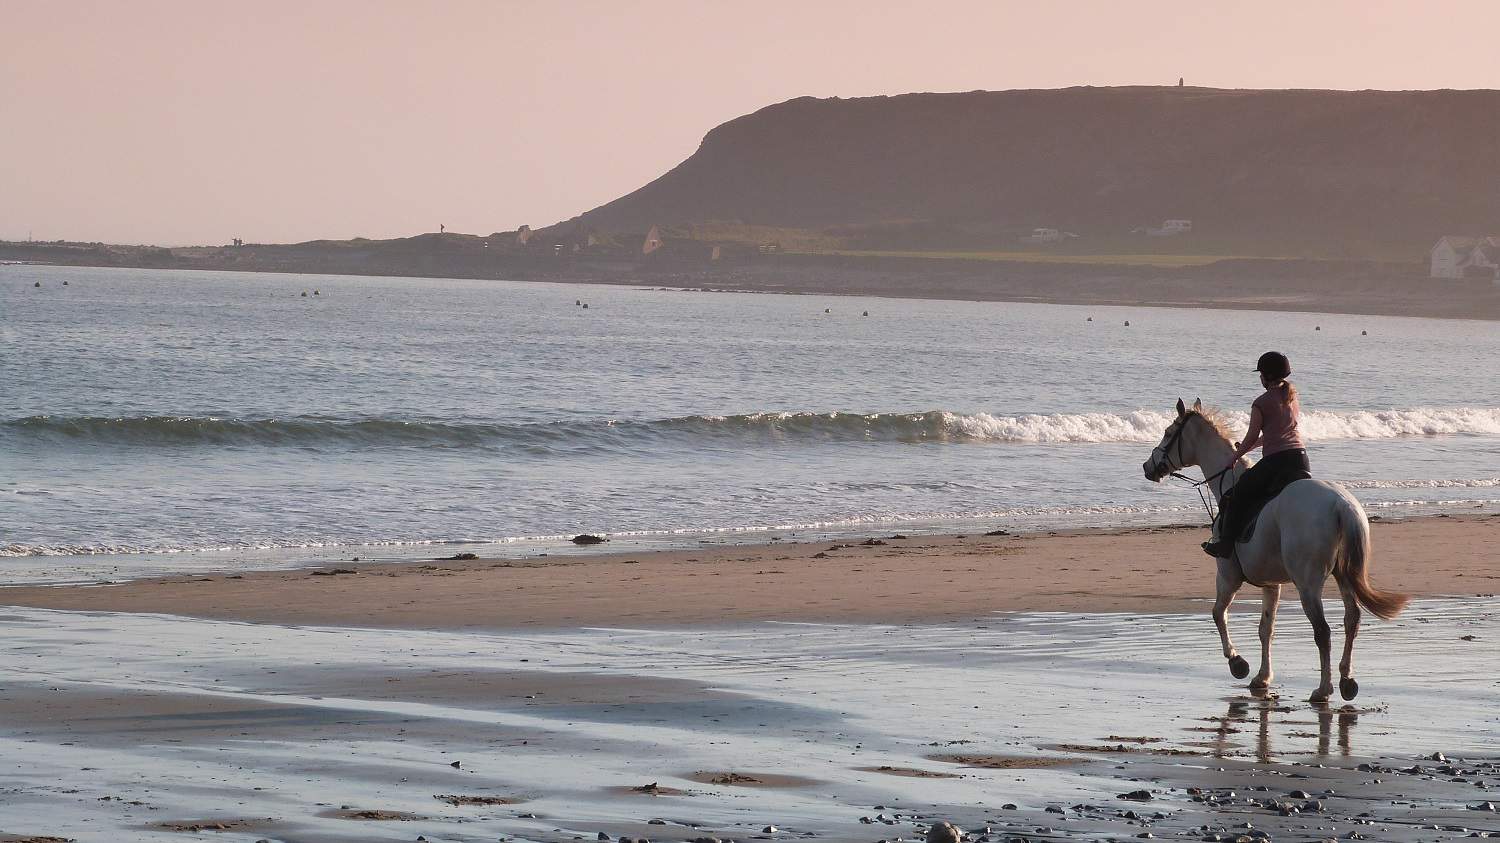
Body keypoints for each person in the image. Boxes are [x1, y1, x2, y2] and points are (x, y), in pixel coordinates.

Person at [1202, 351, 1311, 558]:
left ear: (1267, 376)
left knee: (1234, 496)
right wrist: (1248, 448)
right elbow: (1273, 434)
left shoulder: (1261, 402)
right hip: (1301, 460)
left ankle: (1225, 545)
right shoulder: (1292, 398)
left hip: (1277, 463)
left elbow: (1252, 435)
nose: (1260, 377)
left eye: (1261, 373)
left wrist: (1233, 458)